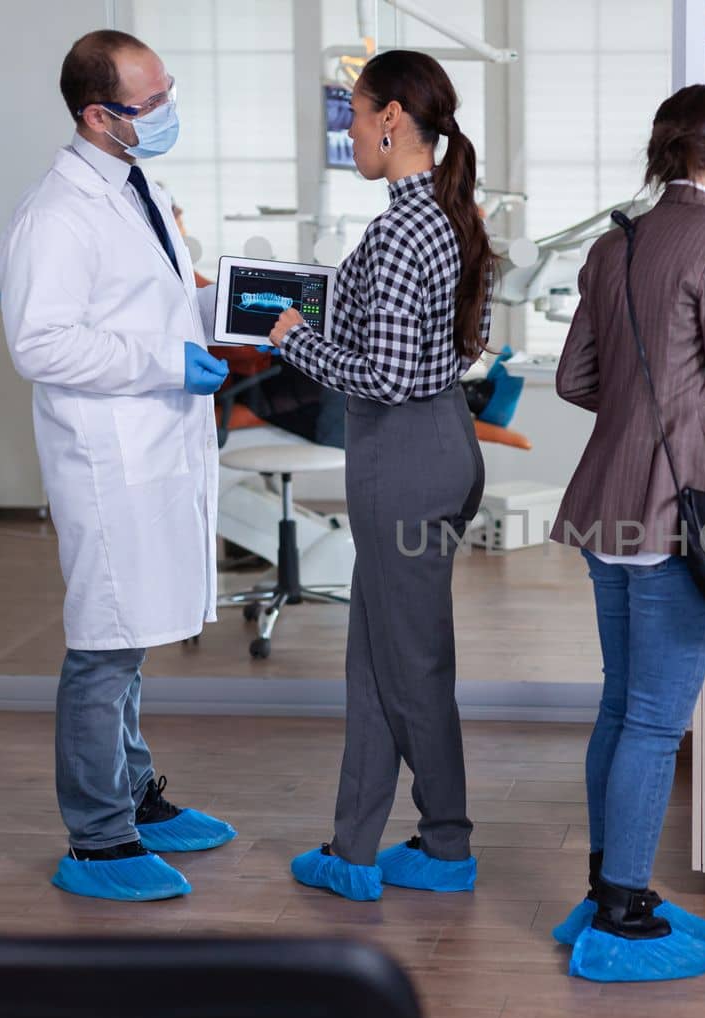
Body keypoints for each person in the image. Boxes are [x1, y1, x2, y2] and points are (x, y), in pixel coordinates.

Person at [549, 84, 705, 981]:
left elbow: (576, 379)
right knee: (657, 722)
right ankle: (621, 919)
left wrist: (648, 405)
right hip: (681, 514)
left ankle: (604, 892)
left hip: (607, 505)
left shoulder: (614, 240)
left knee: (622, 706)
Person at [0, 30, 237, 902]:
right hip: (107, 459)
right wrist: (165, 362)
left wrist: (235, 306)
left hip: (156, 443)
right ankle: (97, 839)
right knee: (103, 644)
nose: (169, 111)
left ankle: (136, 793)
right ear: (99, 115)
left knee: (129, 639)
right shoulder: (55, 214)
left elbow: (158, 298)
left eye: (169, 90)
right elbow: (40, 341)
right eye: (153, 101)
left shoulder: (137, 184)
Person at [266, 50, 493, 902]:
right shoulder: (440, 211)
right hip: (438, 444)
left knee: (410, 664)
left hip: (403, 452)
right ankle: (356, 848)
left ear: (392, 117)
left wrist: (293, 337)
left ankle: (444, 848)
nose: (350, 131)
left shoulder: (400, 229)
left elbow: (390, 376)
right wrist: (320, 302)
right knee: (378, 658)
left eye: (355, 116)